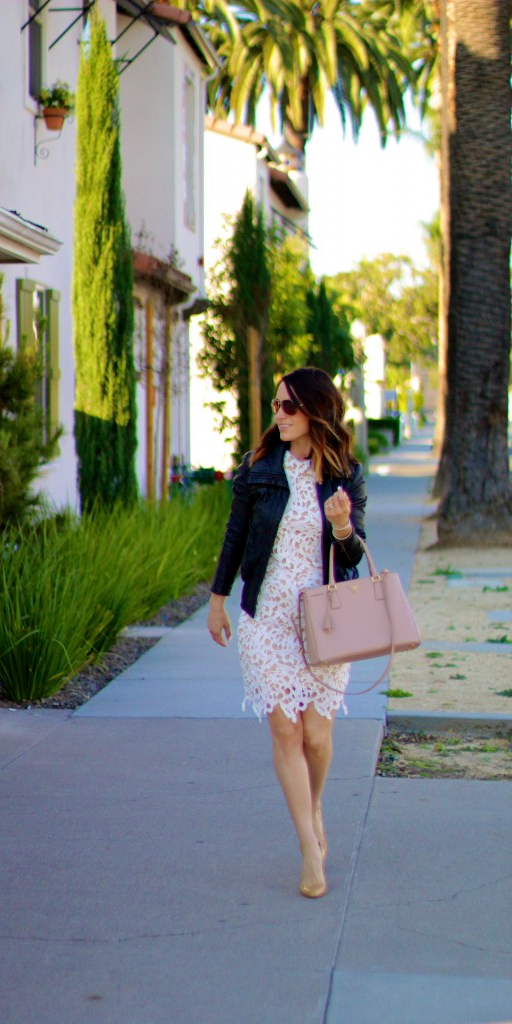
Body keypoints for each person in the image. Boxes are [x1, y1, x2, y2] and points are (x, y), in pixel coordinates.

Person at [207, 367, 367, 899]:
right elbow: (234, 537)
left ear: (316, 412)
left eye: (288, 408)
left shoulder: (345, 474)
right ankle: (307, 847)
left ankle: (314, 804)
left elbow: (351, 554)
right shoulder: (258, 469)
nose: (277, 415)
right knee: (286, 732)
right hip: (265, 616)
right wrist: (218, 601)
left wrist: (342, 525)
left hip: (323, 618)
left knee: (318, 738)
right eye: (275, 406)